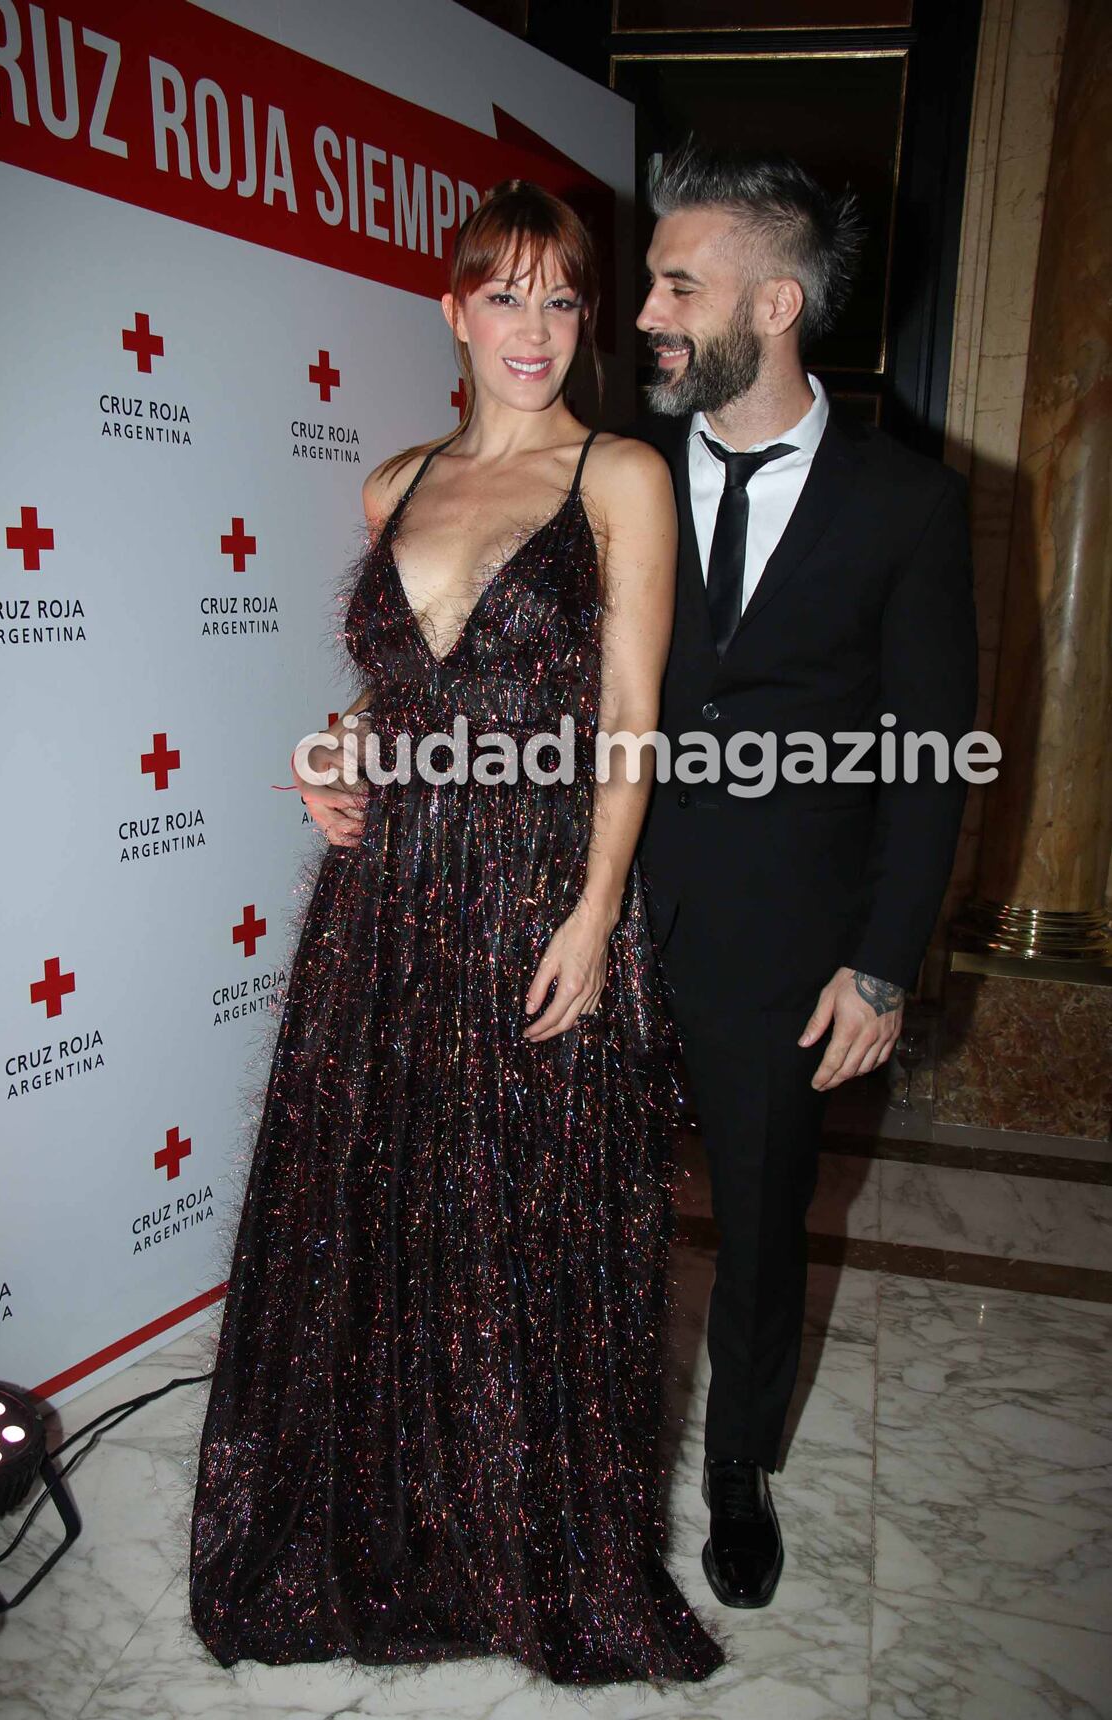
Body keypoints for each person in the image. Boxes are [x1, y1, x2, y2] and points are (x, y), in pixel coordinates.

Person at [188, 179, 725, 1686]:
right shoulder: (393, 482)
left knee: (524, 1236)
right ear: (453, 308)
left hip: (533, 897)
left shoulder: (617, 475)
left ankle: (534, 1546)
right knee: (373, 1213)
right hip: (383, 911)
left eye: (564, 299)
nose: (536, 329)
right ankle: (386, 1524)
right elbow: (399, 701)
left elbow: (629, 719)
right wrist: (332, 749)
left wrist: (598, 909)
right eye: (507, 296)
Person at [632, 141, 979, 1609]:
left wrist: (887, 960)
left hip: (785, 943)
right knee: (581, 1204)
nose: (645, 314)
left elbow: (931, 750)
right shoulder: (616, 468)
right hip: (601, 914)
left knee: (767, 1223)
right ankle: (581, 1448)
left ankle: (737, 1469)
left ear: (773, 304)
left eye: (675, 285)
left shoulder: (908, 504)